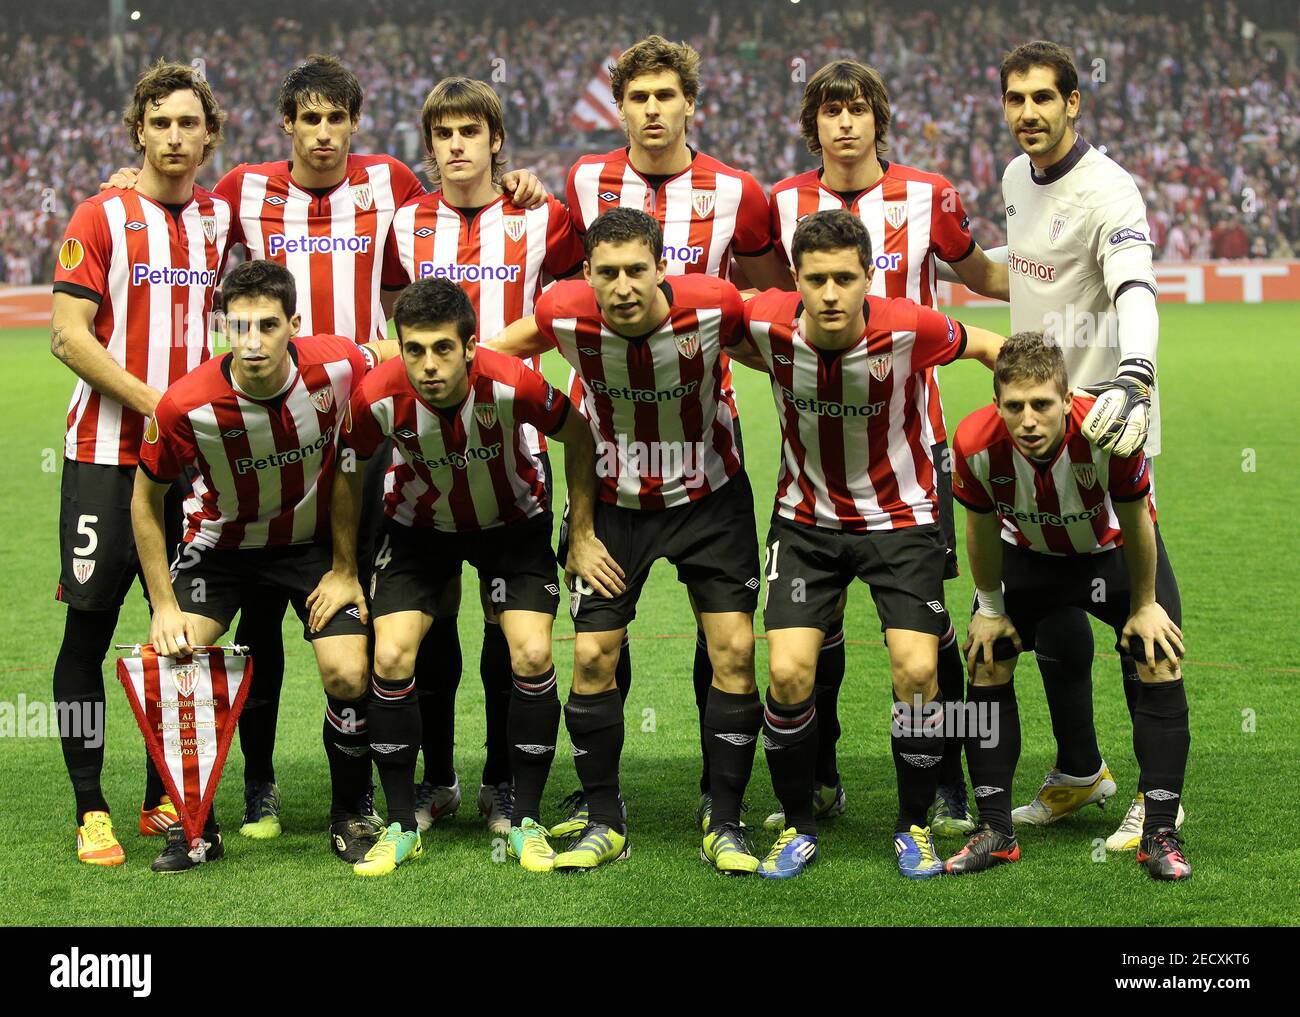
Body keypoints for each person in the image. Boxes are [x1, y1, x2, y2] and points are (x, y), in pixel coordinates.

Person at [104, 55, 551, 843]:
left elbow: (466, 194)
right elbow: (183, 206)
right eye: (306, 118)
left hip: (371, 422)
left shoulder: (391, 187)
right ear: (286, 124)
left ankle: (432, 777)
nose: (320, 132)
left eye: (334, 117)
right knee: (267, 622)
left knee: (411, 611)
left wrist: (521, 182)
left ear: (353, 121)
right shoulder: (242, 188)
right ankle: (256, 786)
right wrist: (126, 179)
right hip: (266, 414)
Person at [765, 58, 1010, 838]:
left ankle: (946, 780)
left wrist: (1061, 275)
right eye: (829, 111)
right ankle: (823, 772)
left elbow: (978, 275)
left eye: (857, 109)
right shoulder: (779, 204)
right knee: (815, 632)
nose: (844, 123)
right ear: (813, 125)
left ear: (879, 118)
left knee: (931, 635)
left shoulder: (929, 193)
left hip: (914, 444)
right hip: (813, 453)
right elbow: (768, 300)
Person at [488, 208, 764, 874]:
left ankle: (724, 819)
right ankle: (605, 819)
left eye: (636, 269)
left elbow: (783, 344)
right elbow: (492, 354)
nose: (623, 286)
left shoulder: (713, 307)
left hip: (711, 499)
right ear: (586, 275)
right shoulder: (563, 313)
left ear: (662, 268)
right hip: (614, 505)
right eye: (606, 272)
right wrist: (578, 531)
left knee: (733, 648)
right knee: (591, 657)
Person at [559, 34, 786, 834]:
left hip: (704, 449)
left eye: (666, 97)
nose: (652, 111)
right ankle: (599, 796)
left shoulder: (738, 194)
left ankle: (716, 791)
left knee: (724, 639)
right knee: (595, 648)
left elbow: (768, 306)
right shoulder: (584, 181)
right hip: (612, 457)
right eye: (638, 98)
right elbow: (557, 278)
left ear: (691, 103)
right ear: (618, 105)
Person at [735, 209, 1004, 879]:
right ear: (795, 277)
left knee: (917, 671)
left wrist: (1024, 432)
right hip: (804, 523)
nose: (830, 294)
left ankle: (913, 824)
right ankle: (798, 823)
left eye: (845, 279)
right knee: (790, 671)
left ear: (869, 278)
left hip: (901, 521)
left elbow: (992, 347)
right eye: (817, 279)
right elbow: (692, 312)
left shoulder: (910, 327)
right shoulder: (766, 322)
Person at [321, 277, 615, 874]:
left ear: (471, 345)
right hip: (419, 528)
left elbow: (579, 434)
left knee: (531, 653)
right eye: (414, 350)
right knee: (392, 656)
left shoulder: (513, 383)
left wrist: (580, 534)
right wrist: (344, 570)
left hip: (512, 523)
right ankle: (403, 825)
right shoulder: (378, 395)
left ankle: (523, 819)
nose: (428, 365)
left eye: (443, 349)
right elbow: (348, 470)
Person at [132, 258, 397, 872]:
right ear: (222, 325)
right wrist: (165, 606)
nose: (252, 342)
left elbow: (391, 351)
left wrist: (345, 567)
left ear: (294, 326)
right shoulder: (184, 405)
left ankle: (352, 812)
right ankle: (195, 826)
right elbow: (144, 502)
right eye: (239, 325)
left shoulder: (336, 364)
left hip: (309, 550)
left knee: (349, 672)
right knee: (173, 660)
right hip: (219, 551)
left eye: (268, 326)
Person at [381, 77, 585, 835]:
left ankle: (504, 781)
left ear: (497, 140)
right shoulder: (403, 225)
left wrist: (492, 362)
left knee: (511, 635)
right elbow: (395, 318)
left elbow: (568, 309)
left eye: (472, 131)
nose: (458, 145)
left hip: (516, 457)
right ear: (429, 146)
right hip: (423, 468)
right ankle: (437, 780)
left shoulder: (545, 218)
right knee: (425, 634)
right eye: (444, 134)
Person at [997, 41, 1180, 848]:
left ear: (1076, 103)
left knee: (1143, 615)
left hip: (1105, 439)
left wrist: (1133, 377)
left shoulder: (1110, 190)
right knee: (1042, 619)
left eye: (1044, 98)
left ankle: (1158, 797)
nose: (1028, 113)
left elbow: (1134, 285)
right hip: (1034, 438)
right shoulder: (1011, 181)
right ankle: (1080, 772)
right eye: (1015, 99)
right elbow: (1029, 270)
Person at [51, 60, 231, 867]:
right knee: (87, 632)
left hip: (190, 467)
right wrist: (158, 401)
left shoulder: (220, 222)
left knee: (183, 634)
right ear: (138, 131)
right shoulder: (99, 214)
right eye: (159, 122)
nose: (173, 136)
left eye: (188, 122)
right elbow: (68, 335)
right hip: (103, 456)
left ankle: (165, 795)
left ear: (208, 135)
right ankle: (90, 807)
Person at [948, 332, 1190, 881]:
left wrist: (1146, 603)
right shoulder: (974, 443)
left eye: (1042, 405)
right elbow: (980, 532)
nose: (1028, 420)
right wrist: (988, 607)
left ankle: (1160, 833)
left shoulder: (1108, 433)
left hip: (1113, 556)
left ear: (1066, 398)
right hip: (1030, 559)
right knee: (987, 658)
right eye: (1014, 406)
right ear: (997, 404)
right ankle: (995, 831)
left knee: (1158, 657)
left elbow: (1137, 520)